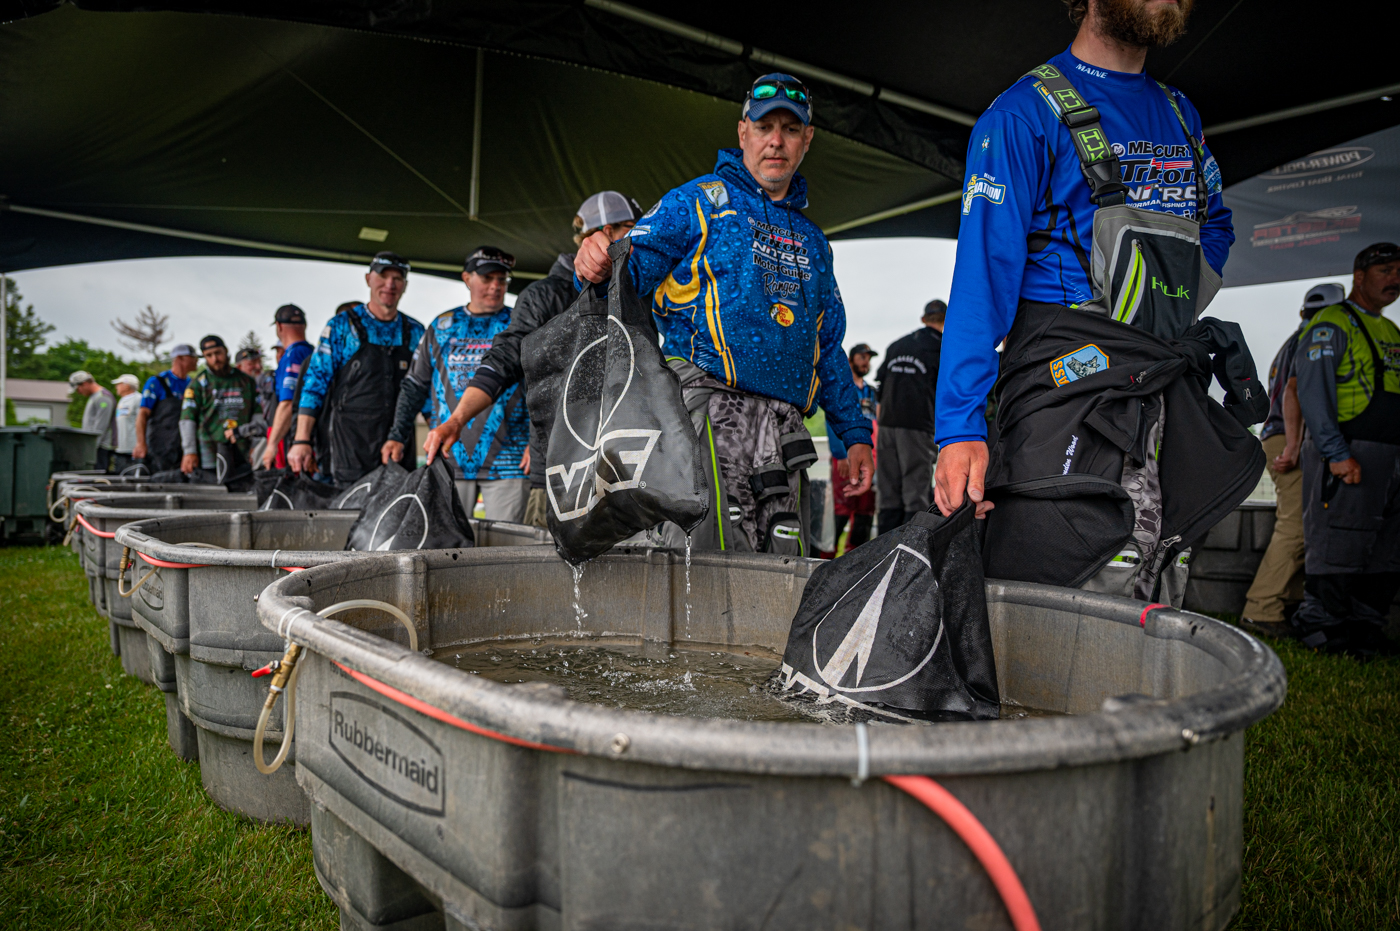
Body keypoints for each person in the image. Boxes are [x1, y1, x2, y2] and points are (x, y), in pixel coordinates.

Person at [934, 0, 1260, 605]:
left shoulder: (1179, 112)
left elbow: (1215, 223)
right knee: (1055, 590)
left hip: (1163, 382)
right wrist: (958, 429)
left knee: (1156, 575)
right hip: (1066, 389)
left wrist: (1167, 299)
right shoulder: (1022, 113)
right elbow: (982, 279)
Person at [568, 74, 874, 555]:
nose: (776, 141)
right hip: (705, 416)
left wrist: (855, 436)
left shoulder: (815, 242)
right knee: (699, 570)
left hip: (784, 436)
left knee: (783, 572)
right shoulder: (698, 201)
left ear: (807, 138)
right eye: (764, 126)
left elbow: (828, 346)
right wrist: (596, 263)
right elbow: (626, 274)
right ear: (743, 132)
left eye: (790, 129)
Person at [421, 192, 644, 529]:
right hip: (560, 471)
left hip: (622, 466)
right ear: (606, 233)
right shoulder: (544, 295)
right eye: (633, 229)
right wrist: (456, 419)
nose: (641, 238)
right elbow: (506, 357)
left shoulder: (633, 289)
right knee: (544, 559)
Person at [1290, 243, 1400, 655]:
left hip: (1390, 460)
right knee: (1338, 546)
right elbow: (1311, 392)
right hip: (1349, 455)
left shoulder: (1391, 331)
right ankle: (1323, 630)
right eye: (1385, 270)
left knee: (1386, 550)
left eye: (1399, 272)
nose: (1395, 279)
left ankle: (1366, 631)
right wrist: (1336, 453)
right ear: (1359, 276)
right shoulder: (1332, 322)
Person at [382, 247, 532, 521]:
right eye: (487, 278)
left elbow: (544, 386)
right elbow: (414, 385)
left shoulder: (520, 325)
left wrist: (538, 442)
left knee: (508, 545)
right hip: (449, 458)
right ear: (467, 278)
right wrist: (396, 435)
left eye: (502, 280)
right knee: (448, 542)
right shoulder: (441, 326)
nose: (495, 286)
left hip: (509, 461)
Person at [1240, 282, 1346, 636]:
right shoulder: (1316, 339)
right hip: (1291, 437)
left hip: (1283, 435)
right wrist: (1294, 446)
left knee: (1303, 527)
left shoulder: (1292, 340)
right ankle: (1261, 610)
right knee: (1297, 527)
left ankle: (1287, 605)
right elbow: (1294, 390)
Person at [287, 253, 425, 486]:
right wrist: (301, 440)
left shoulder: (415, 331)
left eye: (397, 278)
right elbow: (314, 384)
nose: (390, 284)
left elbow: (426, 391)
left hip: (399, 447)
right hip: (350, 449)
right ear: (368, 279)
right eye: (383, 276)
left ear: (405, 285)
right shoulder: (341, 326)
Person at [875, 300, 945, 533]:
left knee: (888, 492)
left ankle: (883, 548)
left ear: (924, 319)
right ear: (946, 320)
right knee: (916, 492)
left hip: (886, 425)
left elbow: (880, 389)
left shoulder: (897, 346)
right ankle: (910, 547)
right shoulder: (943, 347)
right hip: (918, 427)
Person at [179, 335, 260, 480]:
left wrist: (256, 444)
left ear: (226, 351)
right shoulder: (198, 384)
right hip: (209, 452)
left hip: (242, 450)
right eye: (209, 355)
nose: (215, 359)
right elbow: (187, 418)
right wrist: (189, 451)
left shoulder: (246, 381)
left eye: (218, 353)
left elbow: (257, 414)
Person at [828, 343, 879, 554]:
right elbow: (831, 421)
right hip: (845, 456)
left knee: (866, 508)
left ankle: (857, 557)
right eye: (861, 357)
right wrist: (840, 455)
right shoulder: (841, 389)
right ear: (850, 361)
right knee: (842, 505)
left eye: (868, 358)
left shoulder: (871, 391)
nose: (866, 362)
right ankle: (826, 556)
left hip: (870, 456)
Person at [260, 305, 315, 471]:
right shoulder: (312, 351)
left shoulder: (293, 354)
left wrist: (272, 445)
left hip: (293, 435)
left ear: (279, 326)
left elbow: (288, 402)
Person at [134, 343, 198, 473]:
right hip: (159, 446)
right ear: (180, 358)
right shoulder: (157, 382)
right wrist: (141, 443)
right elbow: (143, 414)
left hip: (182, 446)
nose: (196, 361)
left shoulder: (192, 383)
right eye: (192, 357)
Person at [68, 371, 117, 471]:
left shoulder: (103, 398)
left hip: (100, 448)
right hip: (93, 448)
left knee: (98, 477)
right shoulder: (94, 397)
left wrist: (90, 448)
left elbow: (101, 427)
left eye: (78, 389)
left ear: (85, 384)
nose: (79, 392)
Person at [110, 374, 142, 474]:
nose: (116, 387)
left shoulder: (138, 399)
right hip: (121, 449)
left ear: (126, 386)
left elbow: (142, 422)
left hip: (132, 450)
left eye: (119, 384)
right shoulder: (122, 400)